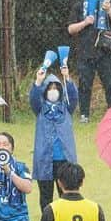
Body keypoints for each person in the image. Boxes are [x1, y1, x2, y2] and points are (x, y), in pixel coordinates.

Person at [66, 0, 111, 122]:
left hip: (106, 50)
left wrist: (109, 10)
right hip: (85, 50)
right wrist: (85, 22)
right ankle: (84, 115)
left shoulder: (109, 2)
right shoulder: (78, 5)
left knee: (110, 84)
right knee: (85, 84)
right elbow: (71, 29)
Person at [30, 67, 78, 211]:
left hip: (64, 159)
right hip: (44, 159)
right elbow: (33, 99)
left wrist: (67, 78)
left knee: (67, 195)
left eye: (56, 88)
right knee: (46, 197)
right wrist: (38, 81)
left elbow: (74, 96)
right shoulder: (40, 109)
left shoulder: (66, 108)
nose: (53, 91)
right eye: (49, 88)